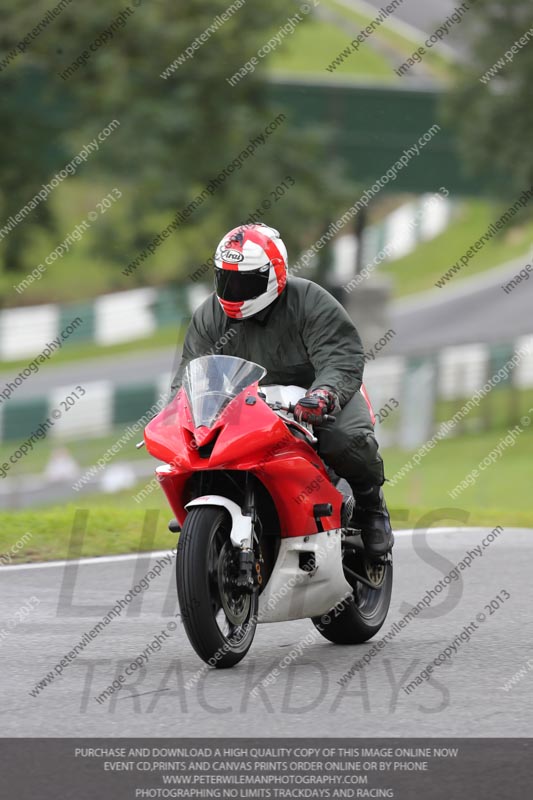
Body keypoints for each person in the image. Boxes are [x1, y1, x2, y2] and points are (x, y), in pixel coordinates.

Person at [171, 222, 393, 557]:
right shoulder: (209, 316)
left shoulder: (310, 301)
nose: (233, 290)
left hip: (318, 395)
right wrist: (180, 411)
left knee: (345, 439)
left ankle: (370, 506)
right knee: (197, 450)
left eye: (245, 280)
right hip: (248, 406)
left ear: (274, 274)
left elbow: (340, 357)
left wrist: (324, 395)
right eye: (225, 278)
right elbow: (190, 375)